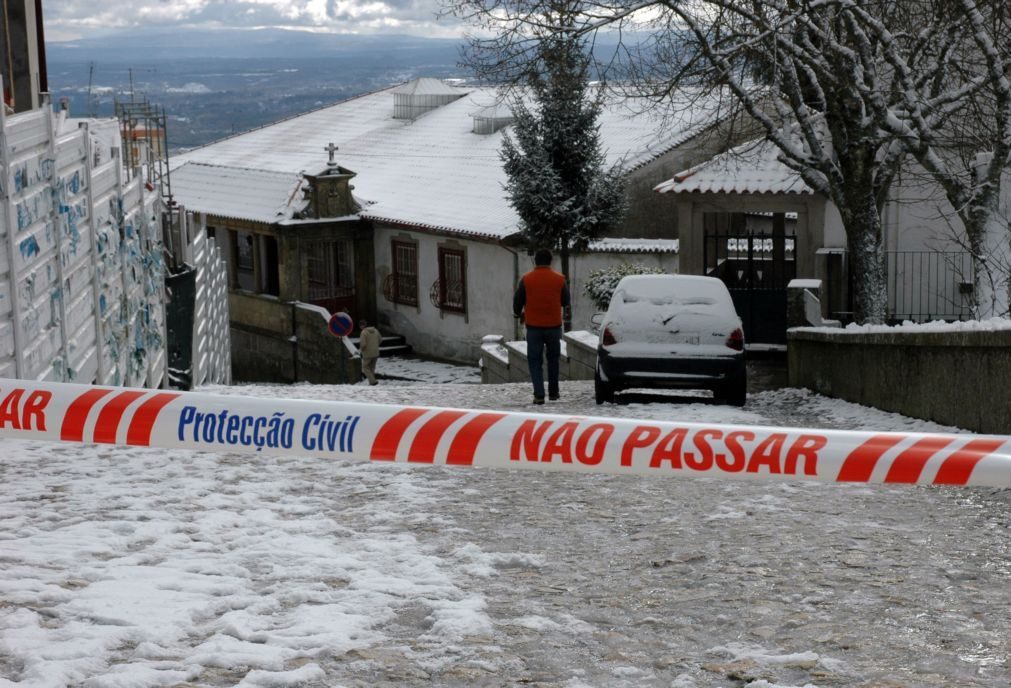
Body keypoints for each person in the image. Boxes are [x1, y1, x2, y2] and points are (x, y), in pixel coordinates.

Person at [513, 248, 570, 404]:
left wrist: (517, 312)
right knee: (553, 359)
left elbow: (517, 301)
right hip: (554, 326)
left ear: (536, 261)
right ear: (550, 261)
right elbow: (565, 301)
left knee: (534, 360)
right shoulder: (559, 279)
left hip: (534, 327)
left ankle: (539, 394)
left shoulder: (526, 279)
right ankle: (553, 392)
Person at [358, 319, 381, 385]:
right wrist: (375, 346)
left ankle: (373, 381)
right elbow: (380, 339)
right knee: (371, 367)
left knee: (365, 367)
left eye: (360, 325)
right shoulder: (375, 330)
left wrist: (361, 350)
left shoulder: (363, 332)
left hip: (367, 353)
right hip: (376, 352)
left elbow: (363, 344)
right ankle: (372, 381)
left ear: (362, 326)